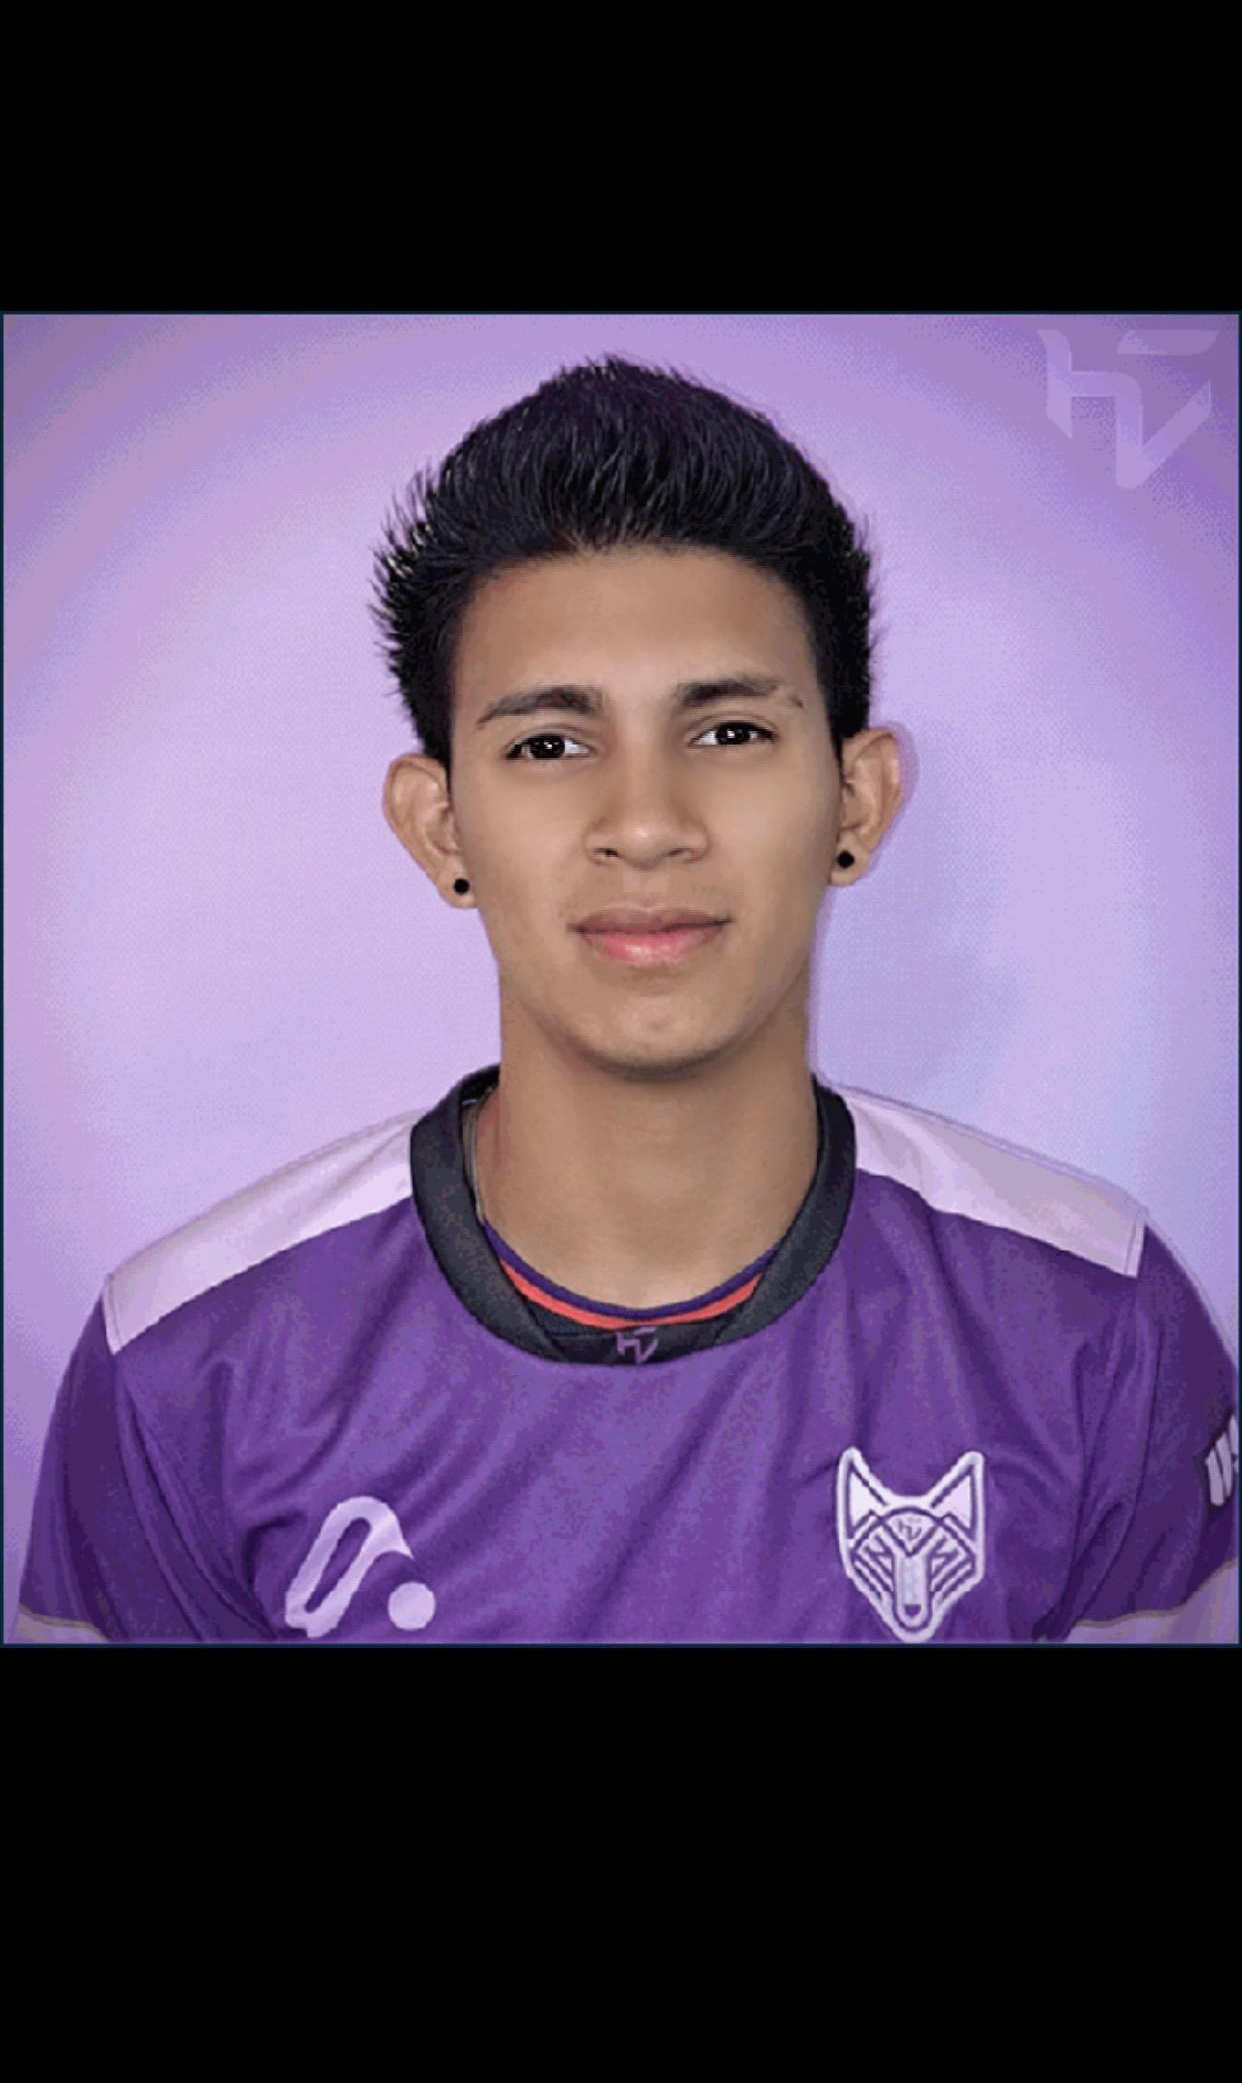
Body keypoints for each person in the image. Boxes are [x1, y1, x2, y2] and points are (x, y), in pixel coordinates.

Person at [12, 356, 1237, 1645]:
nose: (646, 824)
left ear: (858, 801)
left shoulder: (1096, 1328)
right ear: (441, 828)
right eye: (550, 744)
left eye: (729, 732)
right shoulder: (186, 1370)